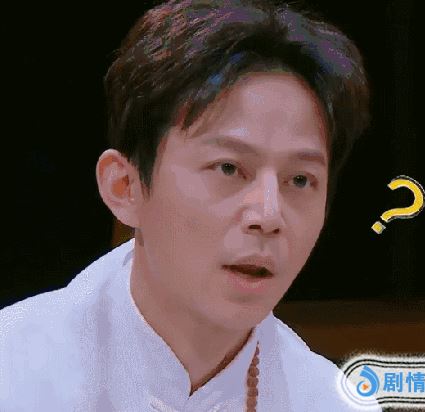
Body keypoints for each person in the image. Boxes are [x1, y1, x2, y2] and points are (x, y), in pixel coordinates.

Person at [0, 0, 377, 410]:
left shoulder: (328, 401)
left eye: (300, 180)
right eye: (229, 168)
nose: (269, 215)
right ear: (124, 187)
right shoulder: (15, 373)